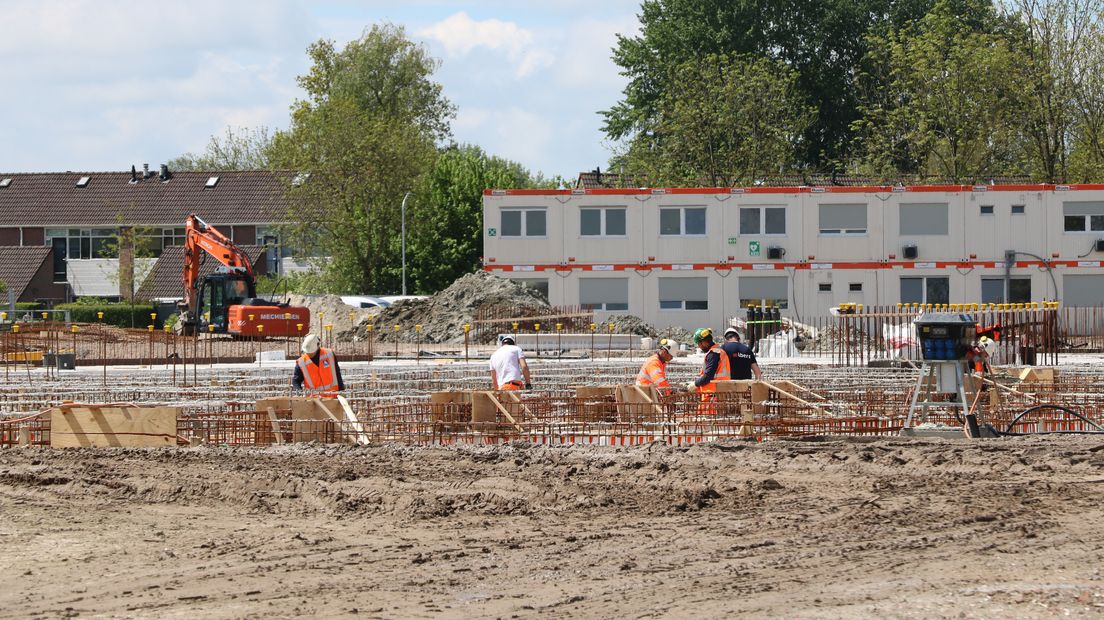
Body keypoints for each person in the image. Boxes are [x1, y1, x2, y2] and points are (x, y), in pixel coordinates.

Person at [685, 328, 732, 414]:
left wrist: (695, 384)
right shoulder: (718, 351)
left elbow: (708, 376)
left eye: (699, 343)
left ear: (704, 342)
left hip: (711, 396)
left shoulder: (713, 354)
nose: (699, 346)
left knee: (709, 423)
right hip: (718, 394)